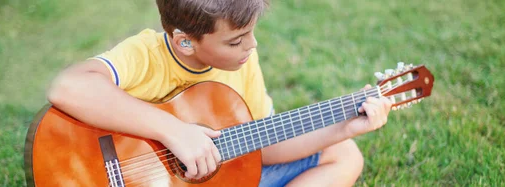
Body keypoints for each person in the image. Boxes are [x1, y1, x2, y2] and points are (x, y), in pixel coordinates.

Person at [46, 0, 392, 186]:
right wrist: (174, 131)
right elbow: (68, 86)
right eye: (236, 41)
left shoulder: (241, 63)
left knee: (344, 152)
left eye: (251, 34)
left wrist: (344, 127)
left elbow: (264, 148)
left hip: (221, 178)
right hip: (134, 176)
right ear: (184, 41)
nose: (251, 46)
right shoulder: (146, 55)